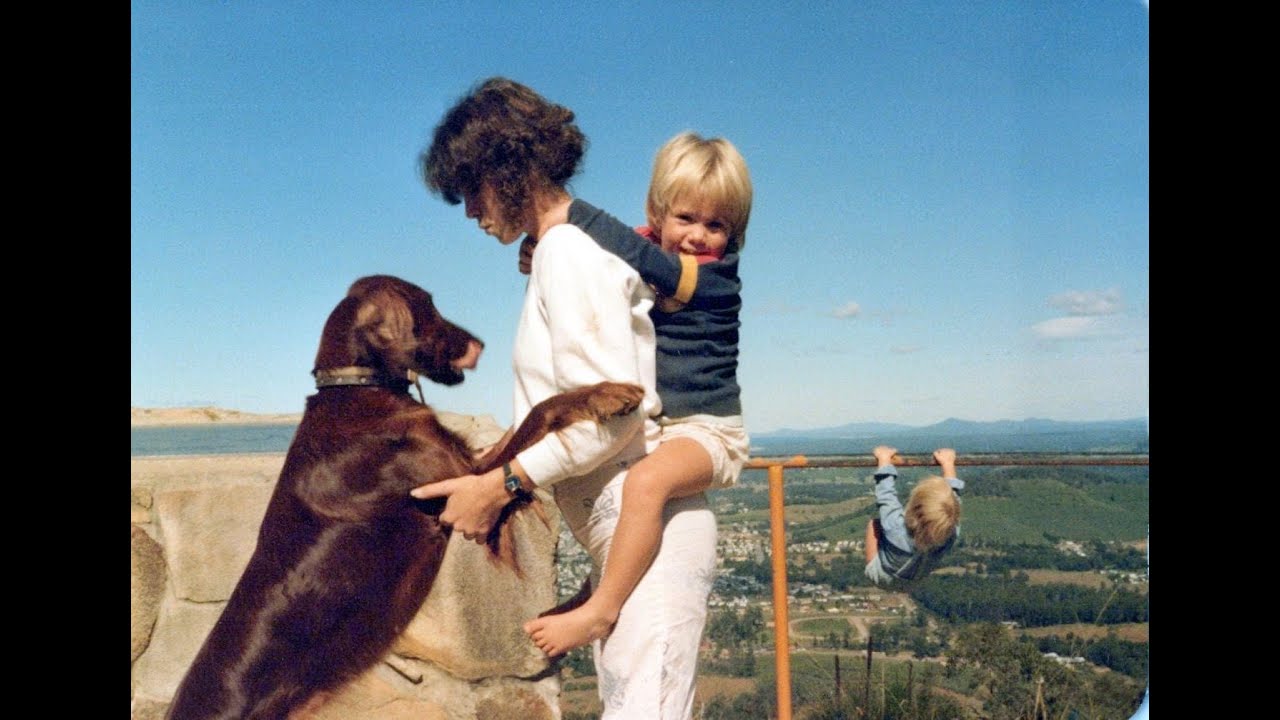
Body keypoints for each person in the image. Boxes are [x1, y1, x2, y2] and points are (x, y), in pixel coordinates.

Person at [410, 77, 718, 720]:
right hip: (623, 535)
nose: (468, 210)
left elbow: (614, 414)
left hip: (648, 530)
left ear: (505, 170)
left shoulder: (569, 254)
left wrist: (504, 485)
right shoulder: (559, 251)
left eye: (470, 189)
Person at [522, 132, 751, 657]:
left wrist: (568, 211)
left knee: (644, 485)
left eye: (716, 225)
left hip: (711, 433)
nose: (698, 236)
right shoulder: (648, 243)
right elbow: (606, 256)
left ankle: (602, 609)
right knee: (626, 485)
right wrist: (539, 249)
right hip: (664, 427)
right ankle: (604, 586)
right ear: (658, 211)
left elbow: (641, 259)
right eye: (686, 218)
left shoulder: (715, 278)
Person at [863, 446, 963, 586]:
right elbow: (954, 500)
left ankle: (876, 563)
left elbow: (885, 495)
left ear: (914, 505)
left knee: (875, 523)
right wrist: (948, 464)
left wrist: (884, 459)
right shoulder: (950, 533)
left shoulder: (896, 527)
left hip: (882, 574)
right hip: (914, 580)